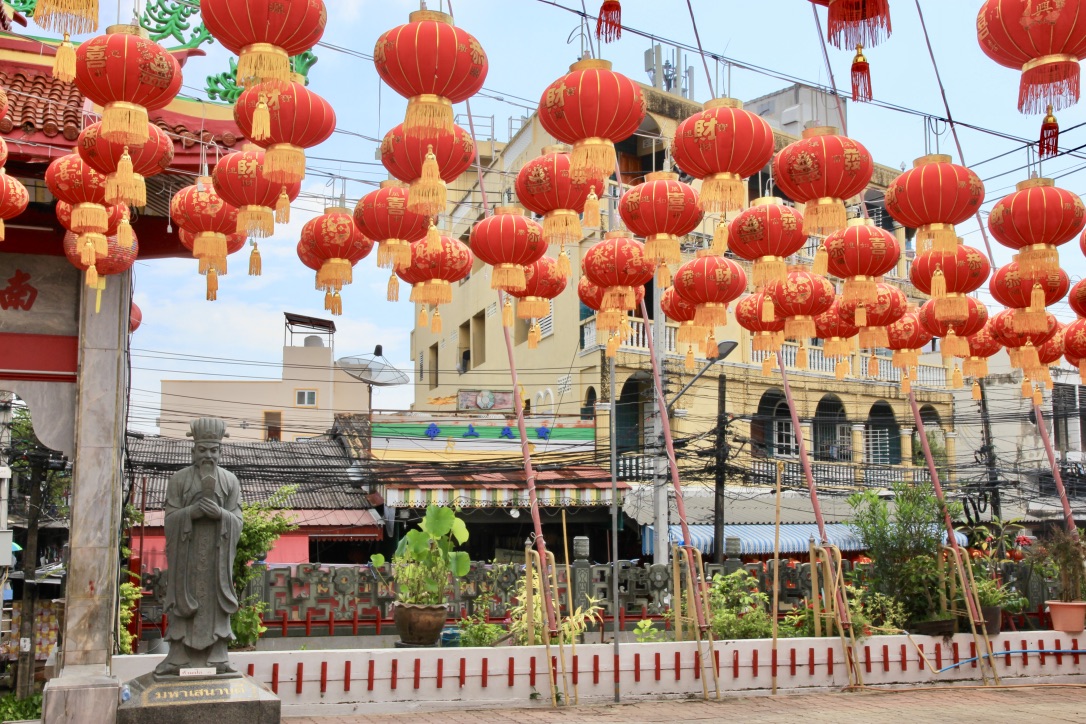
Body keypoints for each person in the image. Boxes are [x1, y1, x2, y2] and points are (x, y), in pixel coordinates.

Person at [154, 417, 243, 677]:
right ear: (193, 451)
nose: (208, 455)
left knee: (215, 601)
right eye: (202, 450)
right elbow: (170, 519)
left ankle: (218, 656)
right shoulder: (179, 480)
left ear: (220, 452)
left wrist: (221, 516)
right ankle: (178, 656)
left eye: (213, 450)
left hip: (216, 559)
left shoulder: (230, 481)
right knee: (184, 599)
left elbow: (237, 520)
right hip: (188, 558)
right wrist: (190, 513)